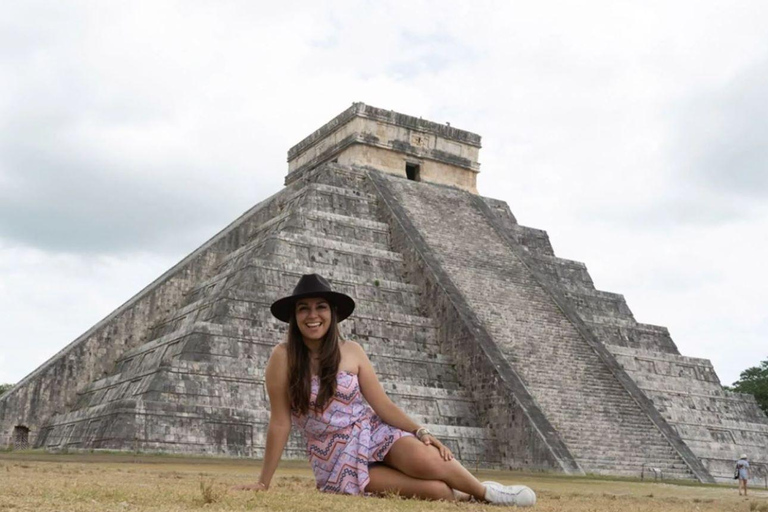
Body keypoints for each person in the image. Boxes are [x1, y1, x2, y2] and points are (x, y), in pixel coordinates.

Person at [234, 273, 536, 506]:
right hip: (335, 455)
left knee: (427, 459)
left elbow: (382, 405)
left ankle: (487, 494)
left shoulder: (351, 350)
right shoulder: (282, 357)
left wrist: (421, 431)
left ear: (333, 313)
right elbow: (280, 422)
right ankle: (466, 496)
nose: (313, 316)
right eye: (304, 309)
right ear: (294, 316)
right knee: (437, 491)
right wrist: (263, 482)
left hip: (372, 431)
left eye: (320, 307)